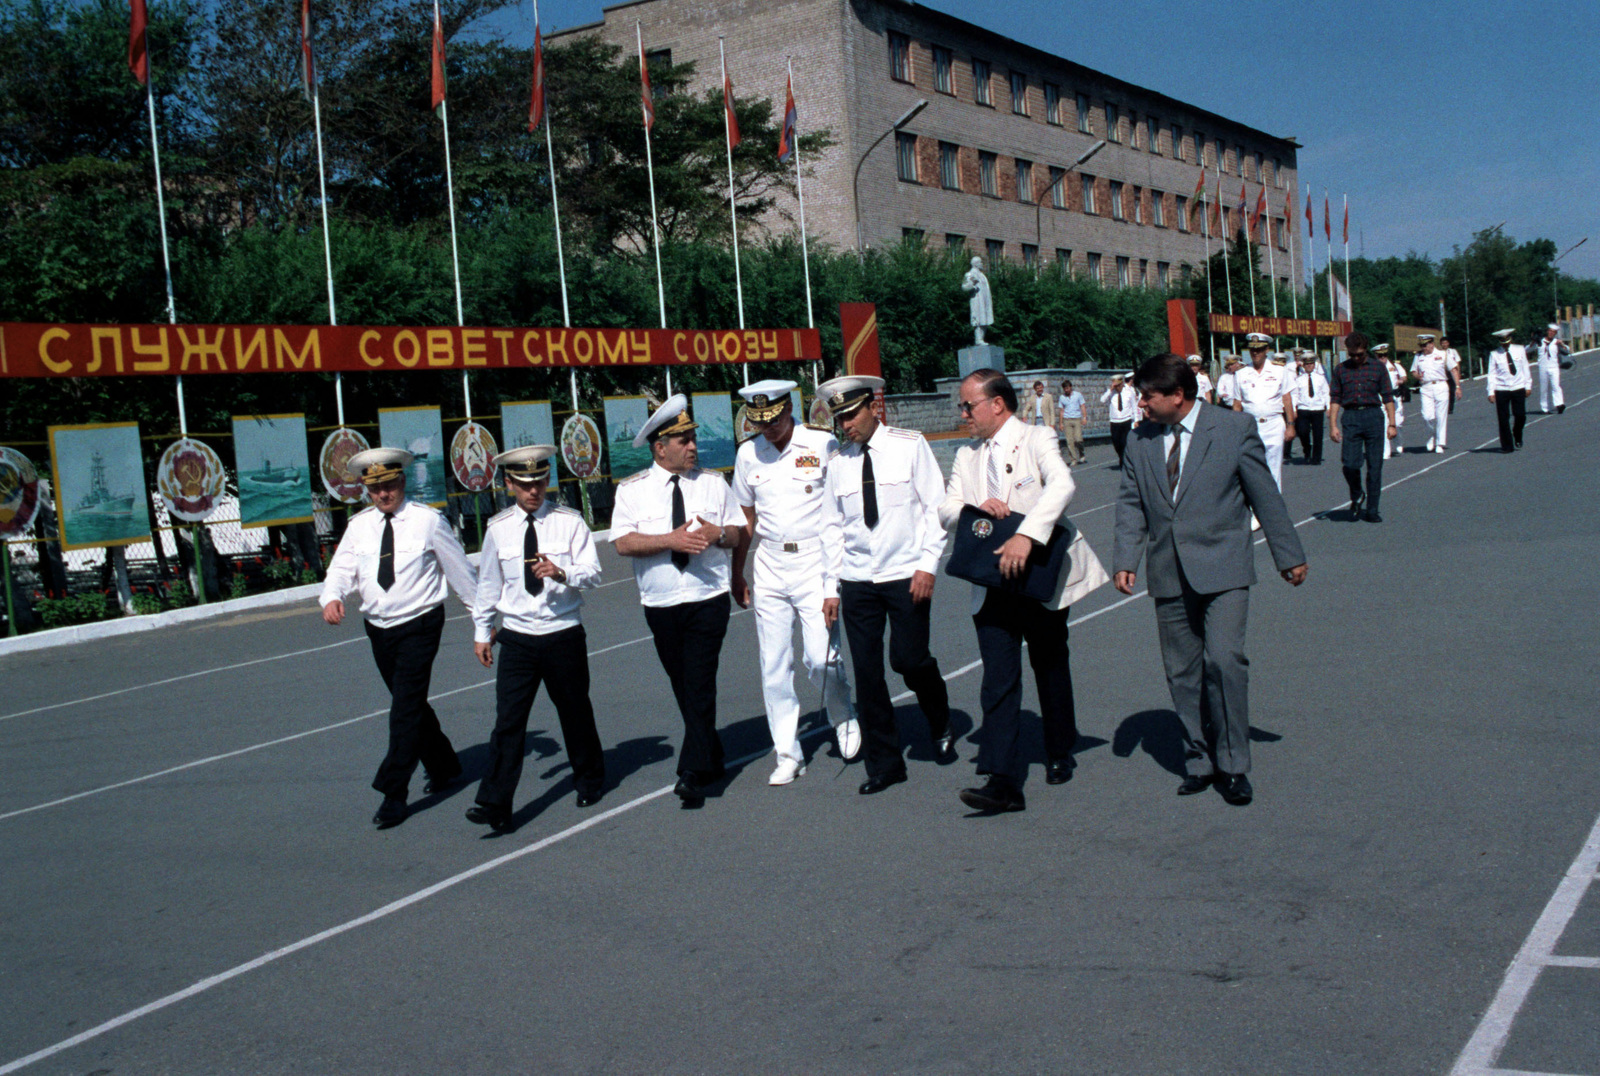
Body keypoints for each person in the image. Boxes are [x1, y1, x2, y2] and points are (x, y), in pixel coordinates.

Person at [1111, 353, 1307, 806]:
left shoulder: (1233, 429)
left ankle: (1234, 764)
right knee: (1183, 671)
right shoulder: (1141, 440)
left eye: (1147, 396)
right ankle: (1198, 759)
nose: (1140, 405)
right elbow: (1130, 503)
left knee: (1224, 660)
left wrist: (1287, 554)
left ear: (1177, 396)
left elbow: (1265, 494)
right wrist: (1127, 557)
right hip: (1167, 569)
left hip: (1224, 567)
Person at [939, 369, 1109, 814]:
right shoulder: (966, 456)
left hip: (1037, 574)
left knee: (1050, 664)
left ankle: (1058, 748)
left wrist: (1027, 534)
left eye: (968, 405)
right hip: (992, 581)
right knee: (998, 678)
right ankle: (1002, 779)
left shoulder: (1036, 438)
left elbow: (1063, 485)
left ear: (997, 403)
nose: (963, 413)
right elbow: (947, 508)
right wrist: (976, 509)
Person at [319, 447, 476, 828]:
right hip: (379, 627)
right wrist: (332, 596)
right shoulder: (359, 526)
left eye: (389, 485)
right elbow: (342, 568)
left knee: (404, 707)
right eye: (375, 489)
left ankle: (393, 792)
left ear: (402, 481)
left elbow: (459, 572)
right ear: (366, 490)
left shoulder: (428, 521)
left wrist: (482, 622)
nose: (383, 494)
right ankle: (443, 764)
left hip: (420, 623)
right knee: (411, 704)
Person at [818, 376, 956, 795]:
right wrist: (829, 586)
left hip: (906, 573)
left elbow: (935, 509)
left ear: (872, 408)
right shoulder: (838, 462)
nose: (846, 425)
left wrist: (929, 566)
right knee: (868, 674)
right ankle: (885, 763)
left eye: (851, 415)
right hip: (858, 580)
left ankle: (939, 717)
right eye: (839, 418)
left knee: (910, 660)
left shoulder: (909, 445)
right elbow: (830, 528)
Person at [611, 396, 746, 808]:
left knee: (699, 680)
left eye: (692, 439)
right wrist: (669, 539)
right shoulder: (632, 491)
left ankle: (692, 772)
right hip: (661, 602)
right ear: (660, 447)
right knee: (683, 684)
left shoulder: (711, 483)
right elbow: (622, 542)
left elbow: (739, 533)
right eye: (683, 440)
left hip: (707, 597)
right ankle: (713, 754)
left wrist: (718, 535)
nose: (692, 447)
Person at [467, 445, 605, 831]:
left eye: (541, 482)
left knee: (574, 711)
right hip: (518, 637)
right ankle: (495, 803)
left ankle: (590, 778)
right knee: (509, 722)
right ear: (509, 484)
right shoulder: (498, 529)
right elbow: (489, 585)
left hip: (562, 633)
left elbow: (594, 574)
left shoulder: (570, 522)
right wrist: (482, 632)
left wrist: (562, 573)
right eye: (525, 484)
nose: (534, 491)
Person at [732, 380, 860, 786]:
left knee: (821, 658)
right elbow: (746, 520)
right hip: (769, 562)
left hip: (814, 560)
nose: (767, 428)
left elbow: (840, 510)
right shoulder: (747, 453)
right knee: (774, 665)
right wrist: (737, 572)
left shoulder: (820, 445)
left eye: (773, 419)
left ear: (790, 409)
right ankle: (788, 753)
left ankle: (842, 714)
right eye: (759, 421)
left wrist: (834, 577)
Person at [1327, 332, 1397, 522]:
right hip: (1351, 417)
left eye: (1360, 355)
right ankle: (1357, 493)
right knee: (1350, 464)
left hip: (1373, 416)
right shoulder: (1341, 369)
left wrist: (1392, 423)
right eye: (1353, 355)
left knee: (1375, 467)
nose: (1356, 359)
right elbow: (1335, 399)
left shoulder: (1378, 368)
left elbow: (1388, 396)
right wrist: (1332, 425)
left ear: (1366, 351)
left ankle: (1372, 509)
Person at [1230, 334, 1296, 524]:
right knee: (1250, 468)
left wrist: (1290, 425)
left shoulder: (1279, 371)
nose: (1255, 353)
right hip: (1250, 426)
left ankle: (1272, 512)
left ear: (1267, 350)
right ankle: (1254, 510)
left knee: (1272, 468)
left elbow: (1287, 400)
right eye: (1252, 349)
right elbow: (1237, 404)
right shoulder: (1241, 373)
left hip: (1274, 424)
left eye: (1259, 349)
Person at [1487, 328, 1532, 452]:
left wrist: (1528, 386)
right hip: (1502, 388)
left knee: (1520, 415)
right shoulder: (1494, 354)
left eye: (1506, 341)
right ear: (1500, 342)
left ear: (1510, 339)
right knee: (1503, 418)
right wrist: (1491, 392)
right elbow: (1492, 374)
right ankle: (1507, 445)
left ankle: (1517, 434)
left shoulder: (1519, 349)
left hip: (1518, 387)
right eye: (1502, 342)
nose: (1505, 344)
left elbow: (1525, 368)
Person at [1409, 333, 1452, 453]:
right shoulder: (1418, 356)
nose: (1423, 348)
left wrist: (1458, 386)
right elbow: (1413, 371)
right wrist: (1418, 376)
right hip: (1426, 387)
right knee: (1427, 416)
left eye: (1425, 345)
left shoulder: (1442, 354)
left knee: (1441, 416)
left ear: (1432, 344)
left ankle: (1440, 443)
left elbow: (1453, 368)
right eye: (1422, 345)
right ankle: (1431, 435)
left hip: (1440, 385)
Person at [1292, 350, 1329, 464]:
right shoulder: (1298, 379)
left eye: (1311, 364)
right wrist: (1294, 409)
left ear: (1314, 365)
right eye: (1307, 364)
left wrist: (1328, 407)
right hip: (1303, 409)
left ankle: (1316, 458)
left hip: (1317, 409)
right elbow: (1295, 395)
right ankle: (1307, 450)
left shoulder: (1320, 378)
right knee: (1303, 432)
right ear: (1303, 365)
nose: (1309, 366)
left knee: (1318, 435)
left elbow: (1326, 393)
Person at [1374, 344, 1407, 459]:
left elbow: (1404, 376)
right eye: (1380, 356)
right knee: (1384, 424)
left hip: (1394, 397)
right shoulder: (1373, 367)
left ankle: (1398, 442)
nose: (1383, 358)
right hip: (1381, 398)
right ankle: (1386, 451)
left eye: (1384, 355)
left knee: (1397, 423)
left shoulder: (1394, 366)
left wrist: (1401, 381)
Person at [1101, 374, 1138, 467]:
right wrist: (1110, 389)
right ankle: (1122, 457)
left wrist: (1136, 420)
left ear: (1122, 384)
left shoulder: (1129, 392)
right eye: (1115, 386)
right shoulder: (1111, 393)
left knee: (1125, 442)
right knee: (1116, 443)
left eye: (1118, 385)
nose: (1117, 388)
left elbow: (1134, 407)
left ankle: (1124, 461)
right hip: (1115, 421)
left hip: (1126, 420)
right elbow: (1102, 400)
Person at [1537, 323, 1569, 414]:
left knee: (1556, 386)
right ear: (1547, 331)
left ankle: (1559, 404)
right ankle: (1545, 408)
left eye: (1553, 332)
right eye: (1550, 331)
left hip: (1554, 367)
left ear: (1555, 333)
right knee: (1544, 388)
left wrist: (1562, 344)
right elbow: (1528, 349)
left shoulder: (1556, 342)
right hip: (1543, 367)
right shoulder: (1540, 341)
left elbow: (1567, 351)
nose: (1551, 333)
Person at [1058, 380, 1087, 464]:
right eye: (1065, 389)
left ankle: (1081, 453)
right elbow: (1061, 411)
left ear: (1070, 387)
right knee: (1069, 441)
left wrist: (1084, 417)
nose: (1066, 390)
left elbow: (1082, 406)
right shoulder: (1062, 397)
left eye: (1067, 388)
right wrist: (1061, 423)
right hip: (1067, 420)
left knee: (1078, 439)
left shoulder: (1078, 395)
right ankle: (1073, 459)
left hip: (1077, 419)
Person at [1440, 336, 1463, 415]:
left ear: (1448, 343)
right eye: (1443, 343)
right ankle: (1444, 407)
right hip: (1443, 374)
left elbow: (1457, 363)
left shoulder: (1453, 351)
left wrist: (1458, 373)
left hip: (1452, 373)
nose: (1444, 344)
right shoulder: (1439, 353)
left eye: (1446, 343)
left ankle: (1450, 408)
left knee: (1452, 391)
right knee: (1444, 391)